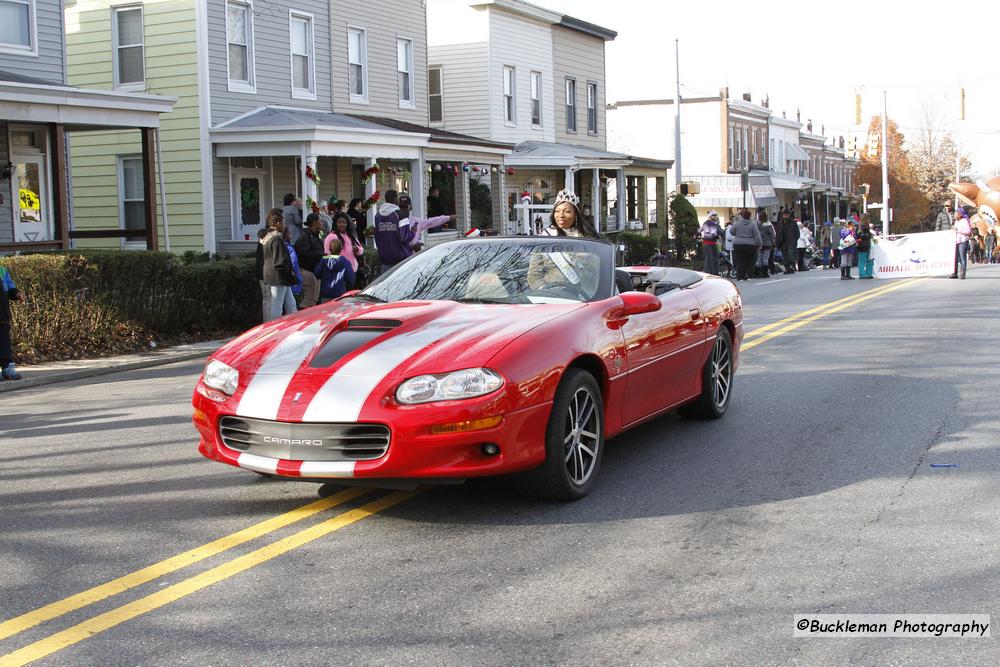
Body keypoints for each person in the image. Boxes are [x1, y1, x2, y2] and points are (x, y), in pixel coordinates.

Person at [262, 208, 298, 320]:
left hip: (277, 276)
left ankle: (295, 325)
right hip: (279, 277)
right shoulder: (277, 240)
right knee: (277, 307)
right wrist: (290, 273)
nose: (284, 225)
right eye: (283, 223)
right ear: (278, 224)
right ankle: (273, 331)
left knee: (291, 304)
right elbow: (279, 261)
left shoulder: (267, 239)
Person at [373, 190, 415, 270]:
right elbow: (404, 238)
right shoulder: (401, 215)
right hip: (401, 260)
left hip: (385, 260)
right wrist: (412, 233)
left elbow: (377, 236)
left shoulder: (377, 216)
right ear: (396, 198)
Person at [294, 213, 325, 307]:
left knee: (314, 299)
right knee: (309, 299)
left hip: (315, 270)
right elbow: (302, 252)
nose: (322, 223)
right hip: (307, 271)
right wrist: (321, 255)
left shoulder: (315, 235)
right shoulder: (305, 236)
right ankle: (303, 318)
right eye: (320, 220)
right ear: (315, 222)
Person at [313, 236, 356, 303]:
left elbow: (317, 273)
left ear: (329, 248)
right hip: (340, 293)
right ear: (341, 248)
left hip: (326, 293)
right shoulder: (345, 262)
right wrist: (348, 288)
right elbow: (350, 278)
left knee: (326, 312)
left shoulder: (323, 261)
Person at [1, 264, 23, 380]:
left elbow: (10, 288)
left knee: (5, 344)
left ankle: (7, 368)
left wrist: (17, 294)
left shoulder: (2, 270)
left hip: (3, 316)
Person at [328, 211, 364, 279]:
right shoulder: (332, 236)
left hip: (353, 270)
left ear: (347, 224)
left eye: (344, 222)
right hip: (339, 272)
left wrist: (357, 250)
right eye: (339, 222)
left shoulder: (351, 235)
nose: (342, 224)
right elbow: (327, 254)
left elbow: (361, 249)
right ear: (335, 224)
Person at [730, 209, 762, 281]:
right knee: (750, 261)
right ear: (749, 216)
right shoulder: (753, 224)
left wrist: (737, 234)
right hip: (751, 245)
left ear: (742, 216)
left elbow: (731, 231)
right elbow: (757, 235)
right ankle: (749, 275)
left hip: (738, 244)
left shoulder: (737, 224)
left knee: (740, 260)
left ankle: (740, 276)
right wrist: (759, 244)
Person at [950, 207, 972, 279]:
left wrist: (958, 231)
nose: (954, 215)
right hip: (956, 241)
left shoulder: (964, 221)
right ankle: (955, 273)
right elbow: (955, 230)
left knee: (962, 257)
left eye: (956, 214)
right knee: (955, 258)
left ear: (960, 215)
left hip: (963, 241)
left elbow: (968, 231)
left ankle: (963, 273)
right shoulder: (956, 222)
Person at [254, 227, 271, 321]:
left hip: (261, 272)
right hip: (266, 273)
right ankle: (268, 322)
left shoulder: (262, 239)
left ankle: (266, 321)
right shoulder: (268, 239)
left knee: (266, 299)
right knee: (269, 298)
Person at [283, 227, 304, 302]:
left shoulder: (280, 246)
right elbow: (294, 263)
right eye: (289, 233)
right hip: (292, 281)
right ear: (285, 235)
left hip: (282, 279)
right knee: (292, 304)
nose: (291, 235)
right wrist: (299, 279)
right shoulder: (289, 248)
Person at [698, 210, 721, 275]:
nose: (715, 216)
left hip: (706, 243)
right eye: (713, 215)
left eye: (716, 215)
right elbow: (713, 233)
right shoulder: (712, 223)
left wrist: (696, 235)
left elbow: (699, 230)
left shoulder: (705, 223)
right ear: (710, 216)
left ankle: (707, 273)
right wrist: (718, 236)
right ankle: (714, 273)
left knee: (707, 259)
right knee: (713, 259)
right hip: (711, 243)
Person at [755, 210, 775, 278]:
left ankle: (756, 272)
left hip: (759, 244)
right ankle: (764, 273)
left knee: (759, 258)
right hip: (767, 244)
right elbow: (771, 236)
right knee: (765, 258)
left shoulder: (757, 225)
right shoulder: (768, 226)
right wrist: (773, 243)